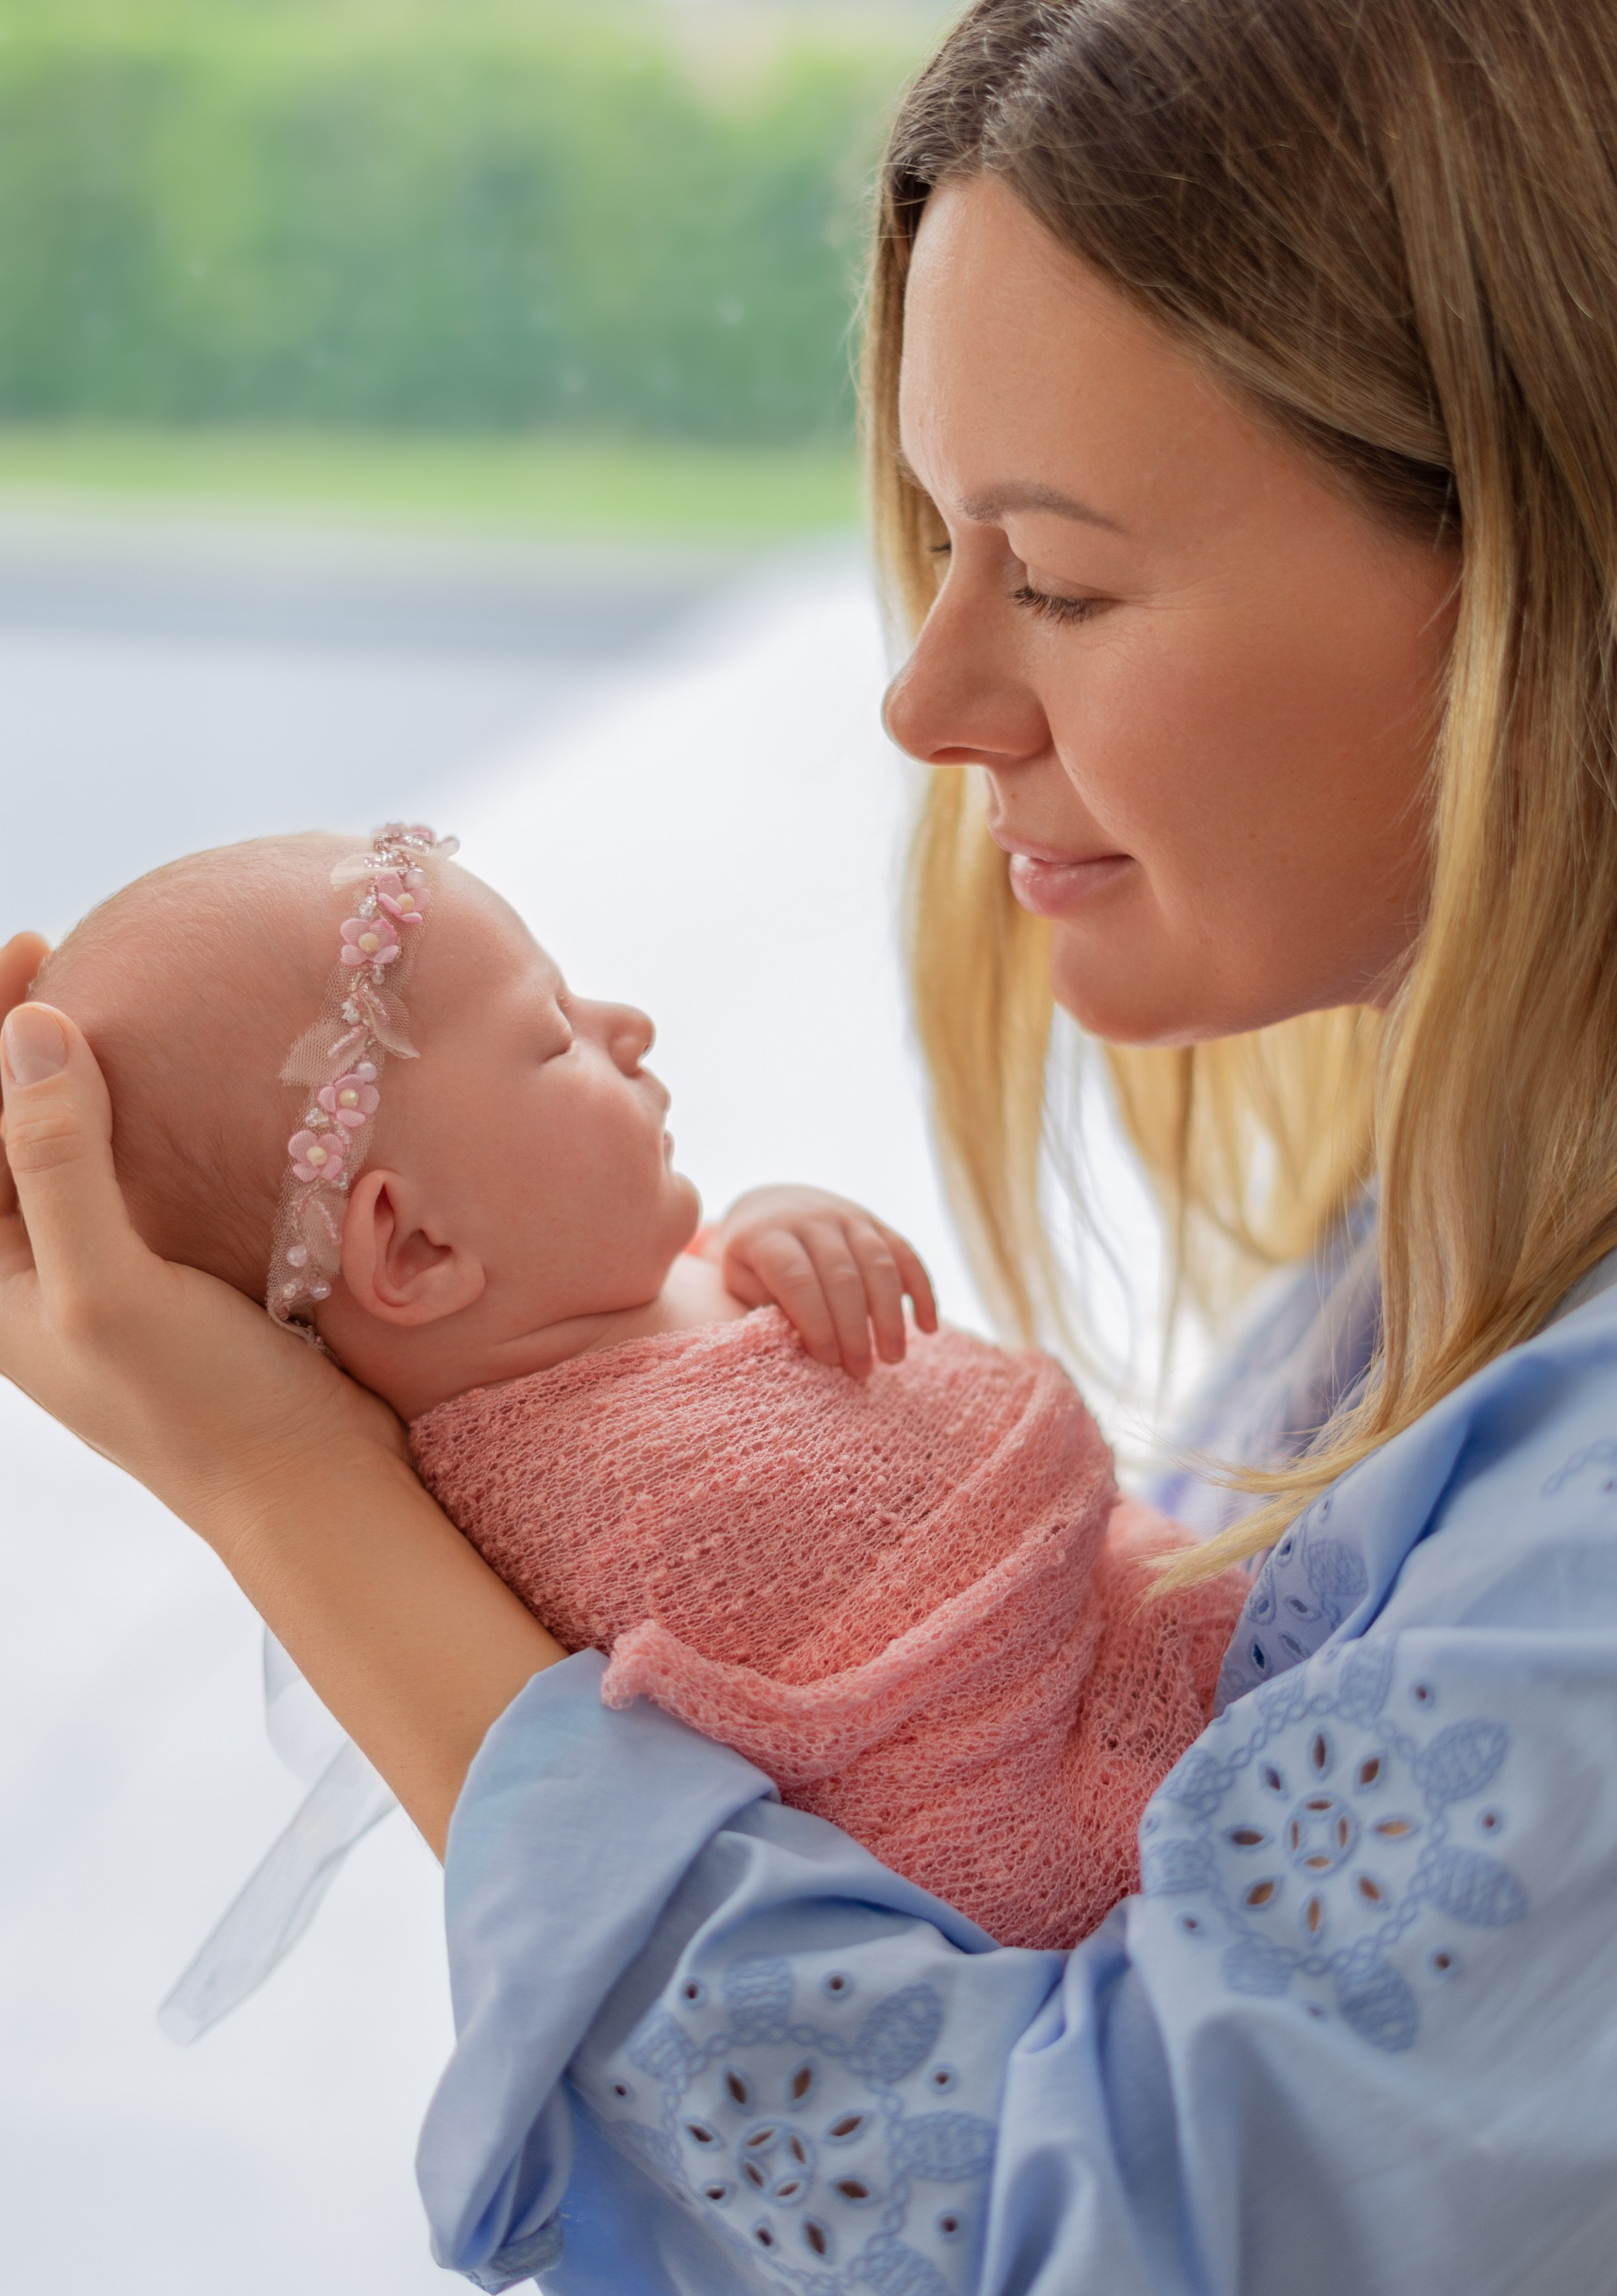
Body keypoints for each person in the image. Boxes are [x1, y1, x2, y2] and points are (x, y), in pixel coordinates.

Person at [6, 0, 1617, 2296]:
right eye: (938, 547)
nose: (928, 692)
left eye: (1056, 580)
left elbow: (1032, 2288)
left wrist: (294, 1484)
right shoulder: (1491, 1243)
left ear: (1543, 561)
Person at [28, 826, 1243, 1950]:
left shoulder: (622, 1293)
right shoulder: (586, 1501)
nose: (630, 1024)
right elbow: (889, 1641)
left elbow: (833, 1378)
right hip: (1078, 1814)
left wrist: (779, 1230)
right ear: (415, 1251)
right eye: (552, 1035)